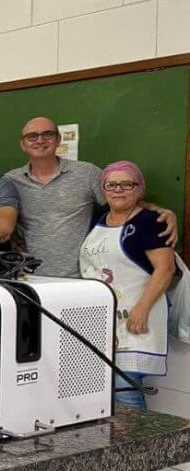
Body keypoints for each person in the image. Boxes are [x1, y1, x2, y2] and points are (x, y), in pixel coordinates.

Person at [4, 116, 177, 277]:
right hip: (30, 279)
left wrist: (160, 211)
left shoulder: (87, 173)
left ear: (58, 139)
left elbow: (120, 200)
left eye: (47, 134)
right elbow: (3, 222)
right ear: (23, 144)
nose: (40, 140)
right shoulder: (11, 180)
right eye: (32, 136)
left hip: (82, 278)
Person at [80, 161, 175, 410]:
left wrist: (141, 309)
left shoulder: (149, 222)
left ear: (139, 190)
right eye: (111, 185)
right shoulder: (100, 219)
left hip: (137, 317)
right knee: (106, 391)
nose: (118, 190)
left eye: (127, 184)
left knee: (125, 389)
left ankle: (140, 448)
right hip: (105, 320)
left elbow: (165, 269)